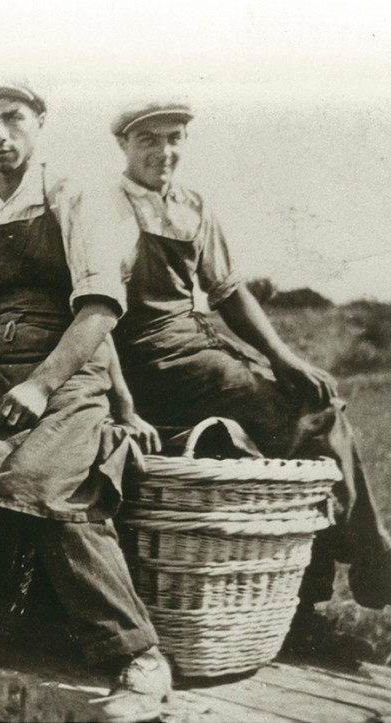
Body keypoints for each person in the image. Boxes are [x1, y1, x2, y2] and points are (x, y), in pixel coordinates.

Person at [0, 77, 170, 722]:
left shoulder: (73, 195)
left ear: (39, 122)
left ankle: (138, 657)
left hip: (70, 361)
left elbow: (102, 307)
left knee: (50, 481)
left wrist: (42, 383)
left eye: (13, 119)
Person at [104, 100, 391, 655]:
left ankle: (308, 603)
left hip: (199, 345)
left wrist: (283, 358)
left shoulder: (192, 205)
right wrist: (121, 402)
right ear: (123, 145)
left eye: (175, 138)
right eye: (149, 140)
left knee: (315, 400)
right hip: (149, 360)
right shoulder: (110, 210)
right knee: (310, 420)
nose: (164, 152)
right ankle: (367, 566)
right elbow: (99, 311)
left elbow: (229, 291)